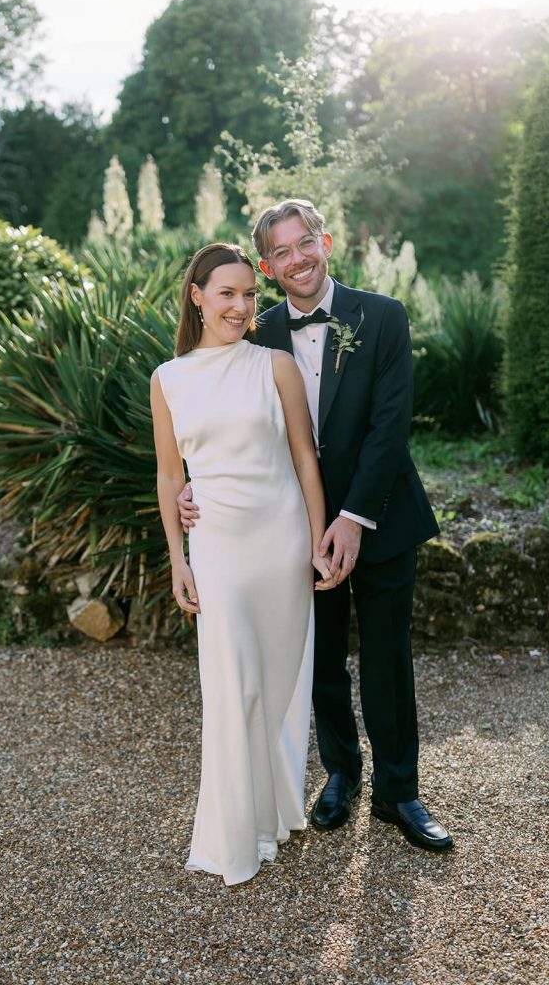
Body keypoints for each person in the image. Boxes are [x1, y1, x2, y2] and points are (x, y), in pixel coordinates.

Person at [180, 200, 454, 851]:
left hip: (381, 519)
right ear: (268, 268)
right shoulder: (258, 335)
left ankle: (398, 792)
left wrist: (353, 518)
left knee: (387, 658)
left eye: (305, 244)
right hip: (293, 529)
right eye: (281, 252)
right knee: (321, 659)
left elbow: (389, 430)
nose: (297, 259)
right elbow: (233, 430)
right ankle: (341, 775)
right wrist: (198, 487)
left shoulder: (381, 317)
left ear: (324, 243)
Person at [150, 242, 335, 887]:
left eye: (248, 295)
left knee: (282, 685)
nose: (239, 306)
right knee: (232, 687)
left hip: (280, 541)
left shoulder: (275, 365)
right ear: (196, 296)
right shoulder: (168, 379)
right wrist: (178, 558)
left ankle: (275, 814)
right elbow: (169, 474)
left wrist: (317, 541)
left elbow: (305, 460)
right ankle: (233, 835)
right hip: (219, 546)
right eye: (225, 293)